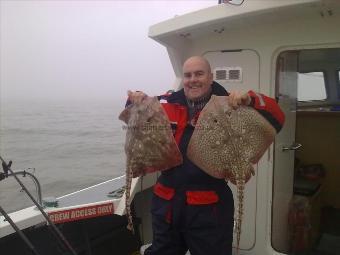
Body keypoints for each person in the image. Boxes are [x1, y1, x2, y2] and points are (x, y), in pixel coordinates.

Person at [127, 56, 285, 255]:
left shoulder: (231, 104)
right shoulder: (166, 103)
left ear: (210, 77)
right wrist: (135, 99)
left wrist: (250, 99)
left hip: (209, 206)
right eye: (188, 75)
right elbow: (134, 115)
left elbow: (277, 115)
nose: (193, 79)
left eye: (199, 74)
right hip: (167, 203)